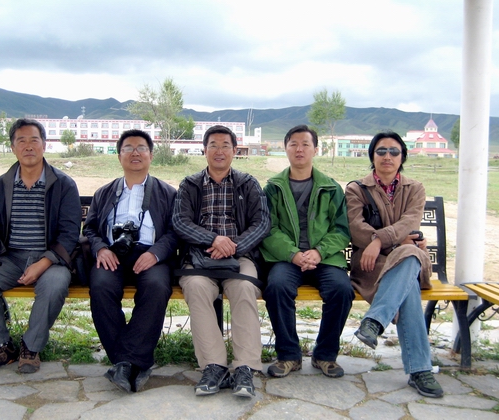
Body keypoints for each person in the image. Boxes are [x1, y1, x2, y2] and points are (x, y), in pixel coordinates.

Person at [0, 118, 82, 375]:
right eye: (21, 141)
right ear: (13, 147)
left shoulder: (63, 185)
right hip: (11, 257)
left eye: (34, 140)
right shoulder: (1, 185)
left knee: (55, 283)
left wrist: (43, 263)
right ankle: (0, 347)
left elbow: (70, 233)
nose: (28, 146)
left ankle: (31, 347)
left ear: (44, 145)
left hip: (50, 259)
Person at [172, 125, 270, 398]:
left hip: (239, 255)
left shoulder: (248, 183)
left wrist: (233, 246)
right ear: (204, 150)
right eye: (213, 145)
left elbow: (262, 223)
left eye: (225, 145)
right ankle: (214, 366)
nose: (219, 151)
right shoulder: (190, 184)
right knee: (196, 288)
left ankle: (245, 367)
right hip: (199, 256)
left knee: (244, 288)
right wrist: (213, 240)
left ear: (234, 150)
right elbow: (180, 221)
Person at [345, 131, 443, 398]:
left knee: (409, 254)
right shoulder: (357, 189)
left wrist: (379, 240)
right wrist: (390, 242)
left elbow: (410, 222)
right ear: (372, 156)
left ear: (402, 157)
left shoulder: (415, 188)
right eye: (381, 151)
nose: (387, 156)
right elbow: (355, 228)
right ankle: (420, 370)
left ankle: (374, 321)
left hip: (406, 258)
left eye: (394, 151)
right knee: (408, 278)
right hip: (372, 266)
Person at [84, 129, 178, 393]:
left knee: (157, 286)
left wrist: (155, 253)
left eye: (141, 148)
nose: (135, 153)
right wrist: (101, 249)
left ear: (151, 155)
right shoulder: (104, 192)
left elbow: (175, 232)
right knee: (100, 286)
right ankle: (130, 361)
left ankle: (125, 362)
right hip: (112, 254)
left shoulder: (167, 193)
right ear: (119, 155)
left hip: (151, 254)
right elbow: (89, 229)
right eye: (128, 148)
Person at [260, 125, 353, 379]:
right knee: (276, 286)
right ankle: (288, 355)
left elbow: (341, 229)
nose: (299, 149)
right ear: (285, 148)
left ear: (315, 149)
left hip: (324, 258)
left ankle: (325, 355)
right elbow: (268, 228)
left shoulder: (331, 188)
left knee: (341, 289)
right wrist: (293, 254)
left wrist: (319, 252)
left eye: (305, 144)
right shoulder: (273, 188)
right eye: (293, 144)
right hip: (287, 258)